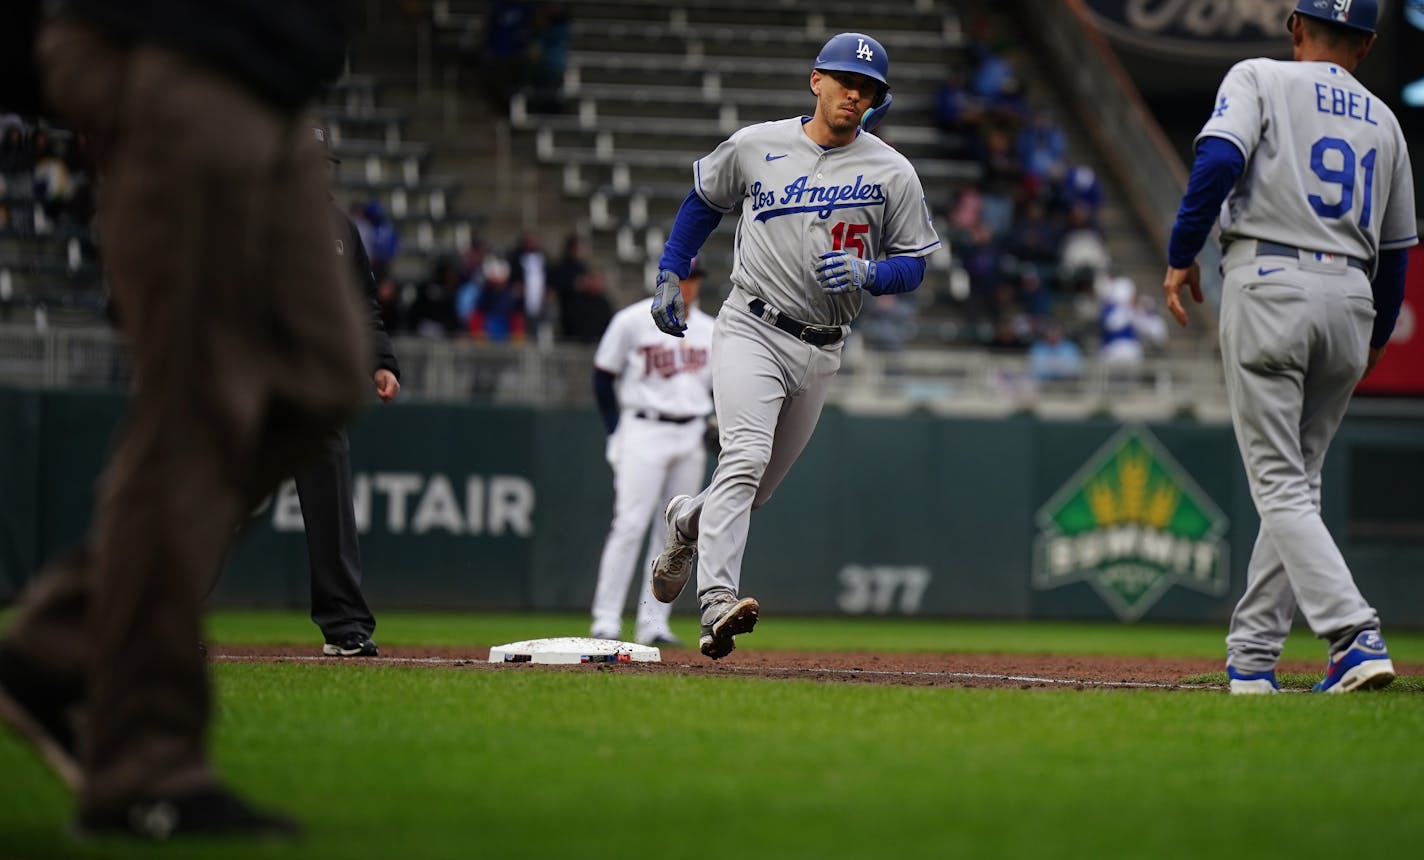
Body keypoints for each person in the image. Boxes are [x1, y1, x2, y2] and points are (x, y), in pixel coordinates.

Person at [0, 0, 366, 839]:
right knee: (203, 405)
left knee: (317, 379)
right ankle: (145, 767)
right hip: (183, 44)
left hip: (275, 71)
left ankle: (56, 648)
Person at [646, 32, 939, 659]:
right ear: (816, 81)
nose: (855, 95)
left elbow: (914, 264)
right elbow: (703, 198)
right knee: (745, 457)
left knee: (751, 489)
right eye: (845, 82)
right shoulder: (758, 145)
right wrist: (673, 268)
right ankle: (717, 603)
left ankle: (686, 522)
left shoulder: (892, 170)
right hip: (752, 325)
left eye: (868, 90)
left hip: (823, 346)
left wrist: (871, 274)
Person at [1163, 0, 1416, 695]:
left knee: (1279, 484)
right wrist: (1373, 333)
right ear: (1365, 46)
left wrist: (1183, 251)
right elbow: (1397, 254)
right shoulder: (1387, 122)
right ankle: (1252, 659)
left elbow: (1218, 159)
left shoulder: (1259, 76)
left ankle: (1353, 633)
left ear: (1295, 27)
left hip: (1270, 280)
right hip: (1352, 300)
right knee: (1299, 484)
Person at [295, 126, 402, 658]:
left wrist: (379, 361)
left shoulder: (340, 228)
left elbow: (363, 303)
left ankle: (345, 627)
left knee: (331, 510)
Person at [588, 263, 715, 646]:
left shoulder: (711, 329)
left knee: (674, 534)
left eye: (694, 279)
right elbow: (602, 376)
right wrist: (616, 432)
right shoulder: (631, 321)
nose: (689, 286)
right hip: (643, 427)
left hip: (690, 430)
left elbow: (716, 387)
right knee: (629, 524)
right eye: (683, 278)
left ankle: (653, 622)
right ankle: (606, 619)